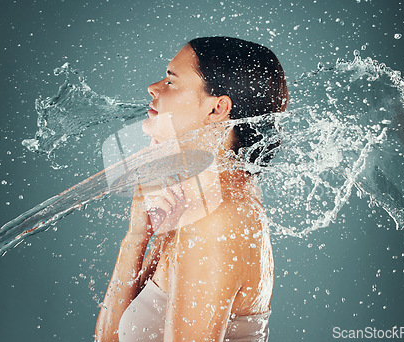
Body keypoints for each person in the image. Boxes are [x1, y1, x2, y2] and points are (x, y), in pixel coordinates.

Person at [95, 36, 288, 341]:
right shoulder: (197, 197)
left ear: (217, 108)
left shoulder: (217, 219)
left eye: (171, 82)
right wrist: (136, 235)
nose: (154, 87)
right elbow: (109, 338)